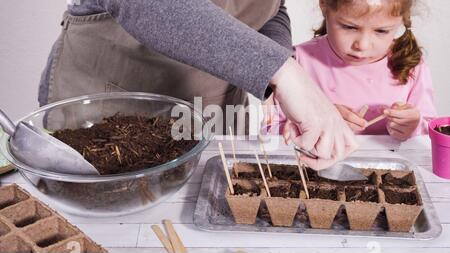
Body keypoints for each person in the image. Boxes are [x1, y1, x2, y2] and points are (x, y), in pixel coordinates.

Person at [38, 0, 357, 170]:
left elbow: (272, 10)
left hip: (215, 114)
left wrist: (276, 73)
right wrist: (283, 72)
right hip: (108, 110)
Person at [264, 0, 437, 143]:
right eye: (349, 27)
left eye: (381, 31)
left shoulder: (411, 64)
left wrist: (414, 126)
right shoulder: (295, 63)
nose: (362, 45)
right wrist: (315, 121)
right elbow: (269, 132)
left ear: (402, 20)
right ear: (324, 5)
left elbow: (434, 130)